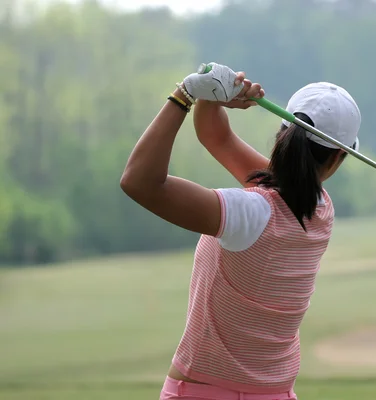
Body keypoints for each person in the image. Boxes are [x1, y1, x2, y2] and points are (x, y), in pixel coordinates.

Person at [120, 62, 361, 400]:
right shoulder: (321, 209)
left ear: (283, 133)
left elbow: (140, 182)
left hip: (201, 393)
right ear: (339, 157)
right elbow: (216, 137)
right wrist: (213, 99)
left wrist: (185, 94)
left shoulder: (251, 213)